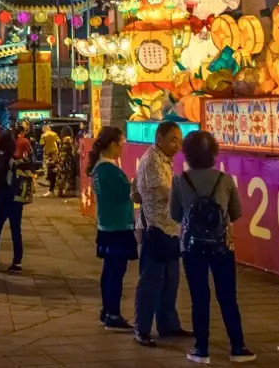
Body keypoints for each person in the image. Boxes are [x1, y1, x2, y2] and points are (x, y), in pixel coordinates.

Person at [172, 130, 255, 364]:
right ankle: (238, 347)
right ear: (214, 154)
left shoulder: (180, 181)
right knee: (228, 296)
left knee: (199, 297)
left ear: (187, 154)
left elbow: (175, 214)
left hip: (191, 247)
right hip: (222, 246)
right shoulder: (225, 179)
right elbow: (236, 213)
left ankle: (202, 348)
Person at [132, 121, 188, 347]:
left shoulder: (165, 159)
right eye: (173, 139)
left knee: (170, 281)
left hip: (170, 229)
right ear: (159, 139)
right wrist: (187, 198)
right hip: (154, 229)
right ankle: (141, 329)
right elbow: (163, 193)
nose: (178, 145)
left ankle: (168, 325)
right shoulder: (153, 160)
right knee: (151, 282)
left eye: (180, 140)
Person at [90, 125, 136, 332]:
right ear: (112, 145)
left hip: (106, 225)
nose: (122, 148)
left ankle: (107, 310)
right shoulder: (109, 170)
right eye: (121, 143)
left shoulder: (99, 169)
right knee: (116, 272)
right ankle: (113, 314)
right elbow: (127, 192)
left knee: (109, 270)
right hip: (117, 226)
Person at [0, 131, 26, 272]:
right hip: (15, 200)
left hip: (1, 199)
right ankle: (17, 262)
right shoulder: (15, 160)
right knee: (16, 231)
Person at [56, 129, 78, 198]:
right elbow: (73, 152)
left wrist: (60, 163)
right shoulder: (70, 140)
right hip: (69, 162)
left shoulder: (64, 141)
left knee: (62, 176)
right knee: (68, 177)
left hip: (64, 162)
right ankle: (67, 191)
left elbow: (63, 153)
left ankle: (61, 191)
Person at [41, 123, 60, 197]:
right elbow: (58, 141)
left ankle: (51, 190)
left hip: (48, 155)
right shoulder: (55, 134)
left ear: (45, 129)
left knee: (50, 172)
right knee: (53, 172)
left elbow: (41, 144)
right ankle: (51, 190)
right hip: (55, 154)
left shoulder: (43, 135)